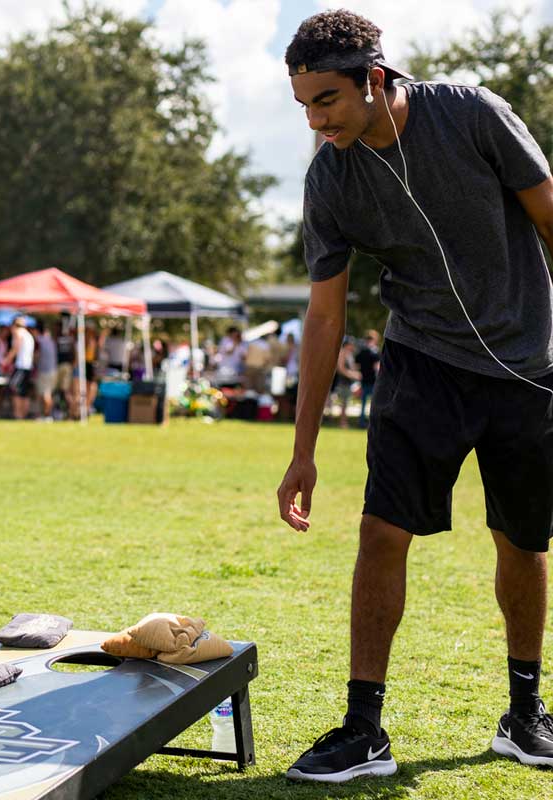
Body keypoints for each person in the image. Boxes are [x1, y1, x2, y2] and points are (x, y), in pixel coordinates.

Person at [277, 10, 553, 782]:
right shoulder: (329, 177)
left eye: (325, 100)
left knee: (524, 543)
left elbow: (549, 216)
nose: (315, 120)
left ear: (374, 78)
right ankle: (364, 729)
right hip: (421, 365)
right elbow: (325, 315)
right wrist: (302, 452)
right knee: (380, 534)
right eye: (302, 104)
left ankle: (526, 717)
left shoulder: (472, 114)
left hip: (528, 366)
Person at [328, 338, 361, 429]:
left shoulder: (349, 354)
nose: (353, 346)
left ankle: (343, 422)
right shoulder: (342, 353)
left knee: (345, 403)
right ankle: (342, 423)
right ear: (347, 345)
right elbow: (341, 369)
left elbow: (351, 367)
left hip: (348, 382)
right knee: (343, 403)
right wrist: (353, 375)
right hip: (342, 382)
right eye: (351, 344)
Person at [355, 329, 381, 428]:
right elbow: (377, 367)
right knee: (374, 404)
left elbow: (356, 365)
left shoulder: (361, 351)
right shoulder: (375, 352)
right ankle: (372, 423)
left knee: (363, 403)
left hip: (363, 380)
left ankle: (361, 422)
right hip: (373, 381)